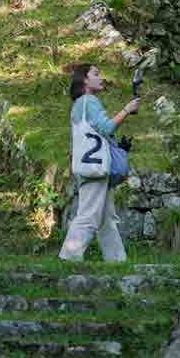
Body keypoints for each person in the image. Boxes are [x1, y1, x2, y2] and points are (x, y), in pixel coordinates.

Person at [58, 63, 139, 263]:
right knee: (88, 216)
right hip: (95, 168)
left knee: (106, 219)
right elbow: (106, 127)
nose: (101, 77)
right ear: (85, 80)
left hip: (88, 166)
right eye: (96, 74)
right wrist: (127, 109)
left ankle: (117, 261)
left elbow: (93, 134)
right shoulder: (89, 100)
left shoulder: (79, 105)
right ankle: (69, 257)